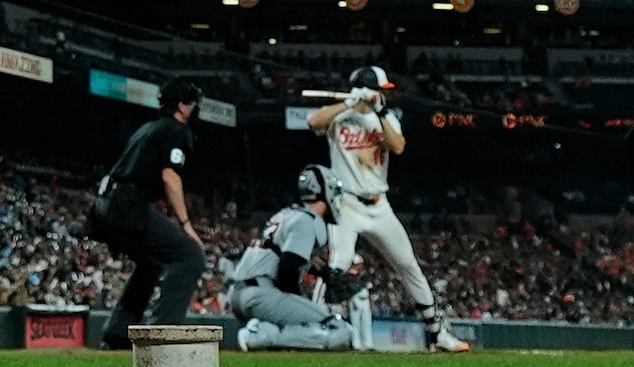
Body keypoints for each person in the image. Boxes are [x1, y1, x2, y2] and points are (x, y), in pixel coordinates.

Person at [314, 67, 454, 346]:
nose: (385, 94)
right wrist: (349, 104)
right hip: (346, 204)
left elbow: (398, 146)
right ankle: (310, 324)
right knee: (338, 264)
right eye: (381, 89)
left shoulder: (387, 117)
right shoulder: (340, 114)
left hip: (379, 205)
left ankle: (436, 332)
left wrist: (377, 112)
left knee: (408, 264)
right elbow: (313, 121)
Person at [86, 102, 201, 344]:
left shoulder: (148, 128)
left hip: (103, 203)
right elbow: (170, 176)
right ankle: (162, 336)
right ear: (181, 105)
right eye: (192, 104)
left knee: (152, 261)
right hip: (125, 205)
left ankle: (117, 333)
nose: (195, 109)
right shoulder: (176, 129)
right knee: (190, 254)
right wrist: (185, 223)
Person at [225, 168, 344, 348]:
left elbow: (278, 256)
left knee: (297, 324)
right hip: (261, 295)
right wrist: (298, 300)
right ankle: (259, 337)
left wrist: (319, 272)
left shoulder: (286, 214)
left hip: (238, 293)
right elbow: (287, 267)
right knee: (338, 330)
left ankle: (264, 329)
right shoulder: (308, 220)